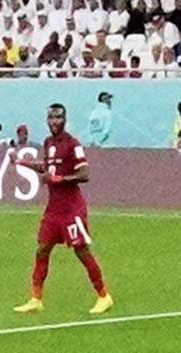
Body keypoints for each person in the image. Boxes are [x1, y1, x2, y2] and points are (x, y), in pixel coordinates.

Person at [12, 104, 113, 316]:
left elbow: (84, 174)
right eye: (51, 117)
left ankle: (104, 296)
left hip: (71, 208)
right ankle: (35, 299)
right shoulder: (48, 143)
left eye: (58, 117)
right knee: (42, 249)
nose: (54, 121)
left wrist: (60, 179)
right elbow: (48, 167)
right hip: (54, 209)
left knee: (81, 251)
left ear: (64, 120)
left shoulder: (72, 144)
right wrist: (22, 162)